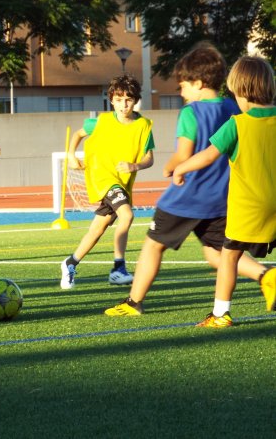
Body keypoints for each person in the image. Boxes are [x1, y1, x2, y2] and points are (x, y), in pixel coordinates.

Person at [105, 44, 271, 317]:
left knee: (153, 244)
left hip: (187, 197)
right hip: (223, 198)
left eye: (182, 86)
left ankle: (133, 302)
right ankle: (267, 277)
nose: (180, 92)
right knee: (218, 253)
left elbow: (185, 154)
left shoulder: (191, 113)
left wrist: (171, 167)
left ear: (198, 83)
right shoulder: (235, 107)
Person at [172, 55, 276, 327]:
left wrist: (181, 168)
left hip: (248, 209)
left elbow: (207, 156)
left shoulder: (238, 124)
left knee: (229, 256)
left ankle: (220, 314)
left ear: (240, 90)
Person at [60, 75, 154, 289]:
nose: (124, 104)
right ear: (112, 99)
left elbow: (149, 158)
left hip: (122, 183)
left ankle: (70, 263)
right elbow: (78, 134)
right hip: (103, 179)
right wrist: (72, 156)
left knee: (98, 229)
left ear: (136, 100)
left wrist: (135, 166)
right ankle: (118, 269)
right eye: (119, 99)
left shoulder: (144, 125)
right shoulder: (100, 121)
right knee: (127, 215)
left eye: (128, 99)